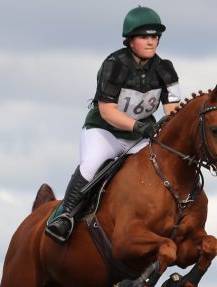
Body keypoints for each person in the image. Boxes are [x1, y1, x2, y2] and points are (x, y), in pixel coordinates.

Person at [45, 6, 183, 243]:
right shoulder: (114, 64)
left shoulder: (165, 69)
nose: (151, 42)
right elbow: (107, 111)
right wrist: (139, 127)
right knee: (91, 166)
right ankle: (65, 216)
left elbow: (171, 110)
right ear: (130, 41)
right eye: (144, 37)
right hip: (105, 132)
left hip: (140, 138)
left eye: (154, 37)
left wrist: (168, 127)